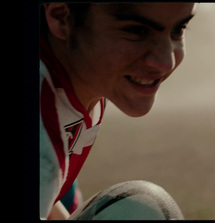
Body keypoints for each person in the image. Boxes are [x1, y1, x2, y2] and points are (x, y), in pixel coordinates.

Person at [40, 3, 195, 219]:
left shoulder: (88, 80)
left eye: (178, 30)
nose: (165, 62)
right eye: (136, 31)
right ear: (61, 17)